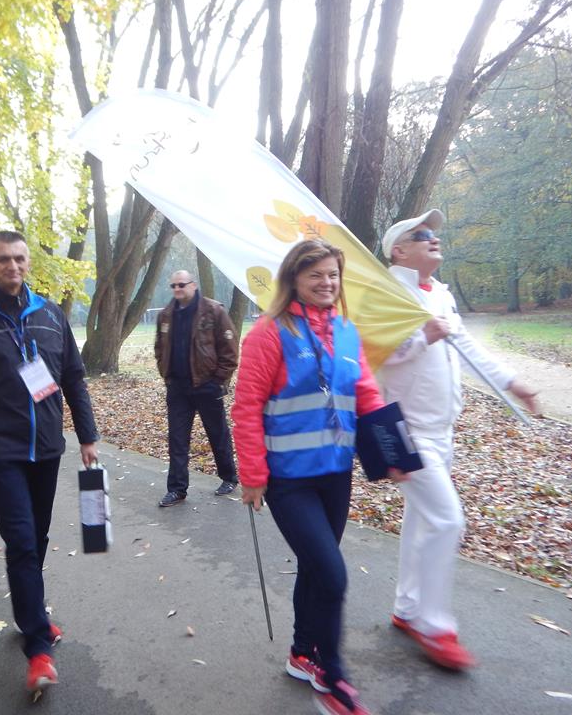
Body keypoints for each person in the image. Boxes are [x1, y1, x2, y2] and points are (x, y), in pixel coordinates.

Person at [0, 231, 100, 694]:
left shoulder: (50, 315)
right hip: (0, 450)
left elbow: (73, 377)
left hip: (46, 446)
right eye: (3, 259)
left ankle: (32, 614)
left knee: (37, 537)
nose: (13, 266)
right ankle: (38, 647)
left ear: (29, 263)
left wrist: (87, 435)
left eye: (20, 258)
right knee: (22, 541)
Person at [378, 209, 540, 670]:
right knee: (447, 521)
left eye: (434, 232)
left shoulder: (440, 294)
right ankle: (434, 626)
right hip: (406, 430)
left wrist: (513, 383)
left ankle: (407, 607)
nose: (433, 238)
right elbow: (374, 351)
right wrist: (422, 338)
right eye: (421, 234)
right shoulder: (387, 292)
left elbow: (466, 347)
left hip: (442, 429)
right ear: (398, 251)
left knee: (421, 520)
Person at [233, 239, 384, 715]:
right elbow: (247, 407)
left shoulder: (346, 331)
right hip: (288, 480)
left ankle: (302, 652)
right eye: (315, 274)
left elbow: (367, 396)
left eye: (333, 274)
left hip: (336, 474)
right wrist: (252, 476)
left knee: (315, 567)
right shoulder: (269, 332)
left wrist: (392, 453)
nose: (326, 282)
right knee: (332, 574)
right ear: (293, 278)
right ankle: (333, 678)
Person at [154, 269, 239, 507]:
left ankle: (229, 477)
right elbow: (159, 348)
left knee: (217, 433)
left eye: (181, 284)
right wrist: (166, 374)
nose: (177, 289)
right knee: (177, 439)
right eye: (173, 286)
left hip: (207, 385)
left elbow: (230, 350)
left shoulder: (213, 311)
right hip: (178, 388)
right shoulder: (166, 315)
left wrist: (218, 381)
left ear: (193, 285)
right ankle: (176, 489)